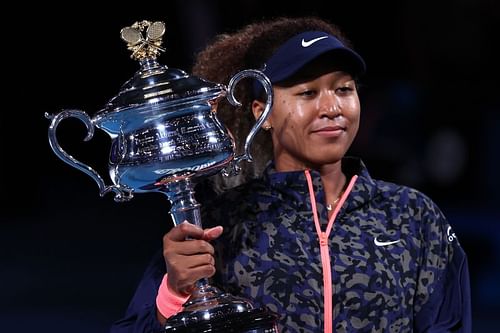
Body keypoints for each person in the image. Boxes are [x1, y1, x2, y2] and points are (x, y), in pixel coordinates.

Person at [110, 16, 472, 333]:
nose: (331, 107)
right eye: (307, 92)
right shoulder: (220, 226)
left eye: (343, 89)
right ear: (261, 113)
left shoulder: (413, 217)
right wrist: (173, 294)